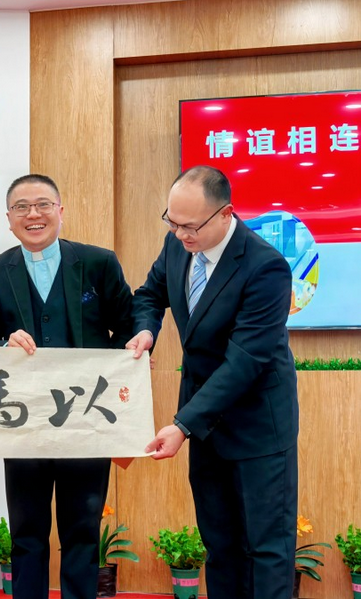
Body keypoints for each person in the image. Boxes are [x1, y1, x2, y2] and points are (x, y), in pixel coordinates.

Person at [127, 165, 298, 599]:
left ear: (226, 214)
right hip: (206, 425)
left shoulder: (265, 267)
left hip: (257, 424)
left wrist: (183, 424)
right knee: (220, 545)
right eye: (172, 221)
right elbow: (149, 294)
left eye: (191, 226)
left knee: (266, 548)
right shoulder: (176, 245)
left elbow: (245, 362)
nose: (181, 234)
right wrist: (147, 330)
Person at [0, 174, 133, 599]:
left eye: (42, 204)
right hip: (23, 423)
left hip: (86, 421)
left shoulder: (99, 262)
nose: (33, 214)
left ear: (60, 211)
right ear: (9, 219)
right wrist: (3, 343)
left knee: (82, 528)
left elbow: (132, 325)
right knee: (27, 530)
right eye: (21, 207)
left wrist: (117, 363)